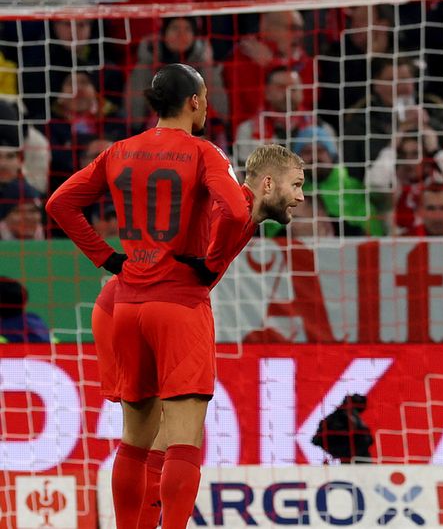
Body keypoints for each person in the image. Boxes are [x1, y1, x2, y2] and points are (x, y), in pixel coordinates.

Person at [44, 63, 252, 529]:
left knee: (133, 441)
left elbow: (60, 203)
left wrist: (108, 259)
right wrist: (211, 262)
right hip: (179, 302)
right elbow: (237, 211)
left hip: (127, 304)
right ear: (195, 102)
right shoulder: (203, 152)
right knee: (182, 439)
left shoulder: (120, 150)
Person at [93, 142, 306, 529]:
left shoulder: (239, 216)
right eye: (296, 185)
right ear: (269, 183)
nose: (301, 196)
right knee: (169, 437)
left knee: (155, 439)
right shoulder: (227, 207)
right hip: (135, 305)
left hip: (121, 306)